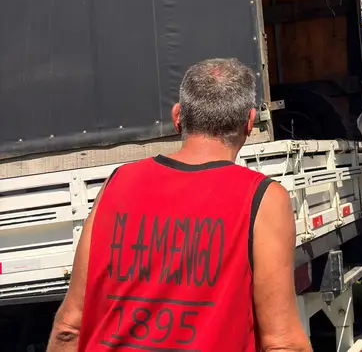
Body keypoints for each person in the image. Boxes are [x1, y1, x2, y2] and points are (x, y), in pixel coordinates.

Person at [46, 58, 311, 352]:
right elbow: (283, 343)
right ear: (249, 122)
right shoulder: (261, 198)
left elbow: (69, 327)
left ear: (177, 117)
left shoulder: (117, 184)